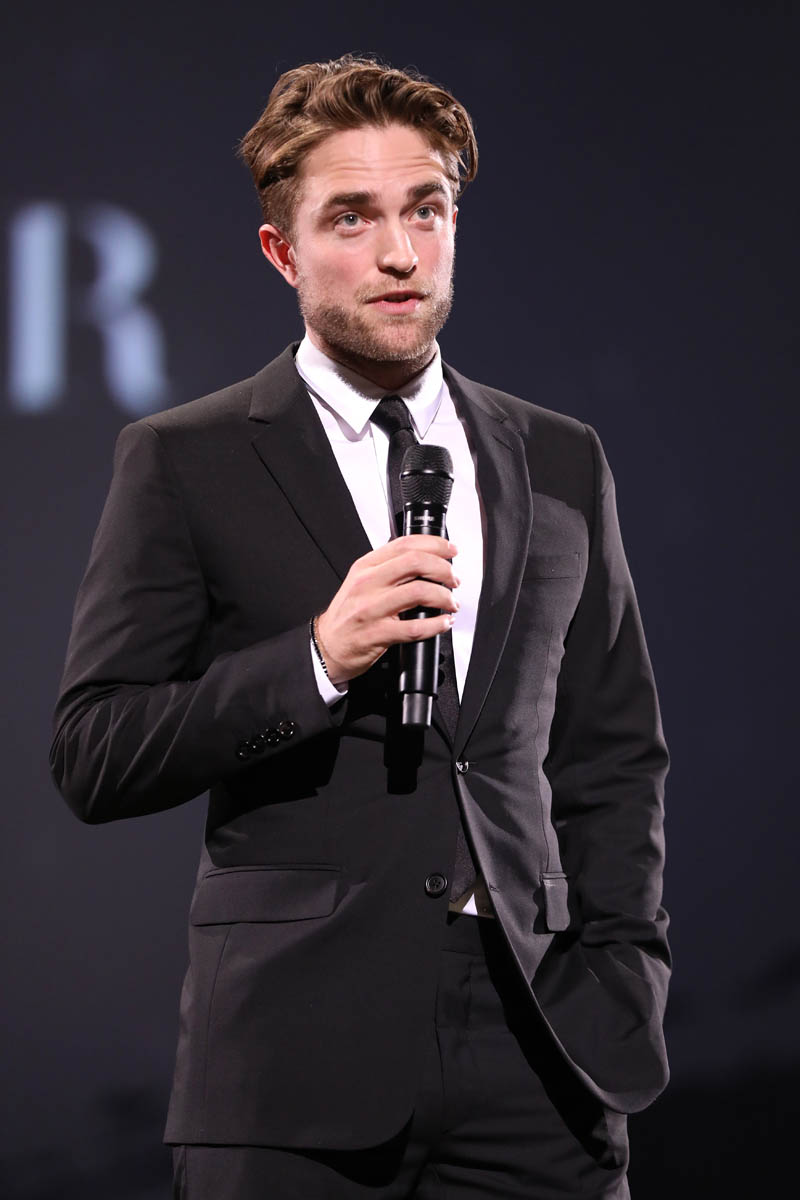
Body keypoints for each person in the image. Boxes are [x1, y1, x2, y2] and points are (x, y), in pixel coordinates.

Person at [51, 54, 670, 1199]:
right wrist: (315, 664)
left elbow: (611, 748)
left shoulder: (559, 457)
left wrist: (622, 968)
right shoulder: (185, 458)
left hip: (541, 1049)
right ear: (281, 252)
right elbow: (94, 752)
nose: (397, 253)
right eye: (351, 217)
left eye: (424, 210)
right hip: (290, 1062)